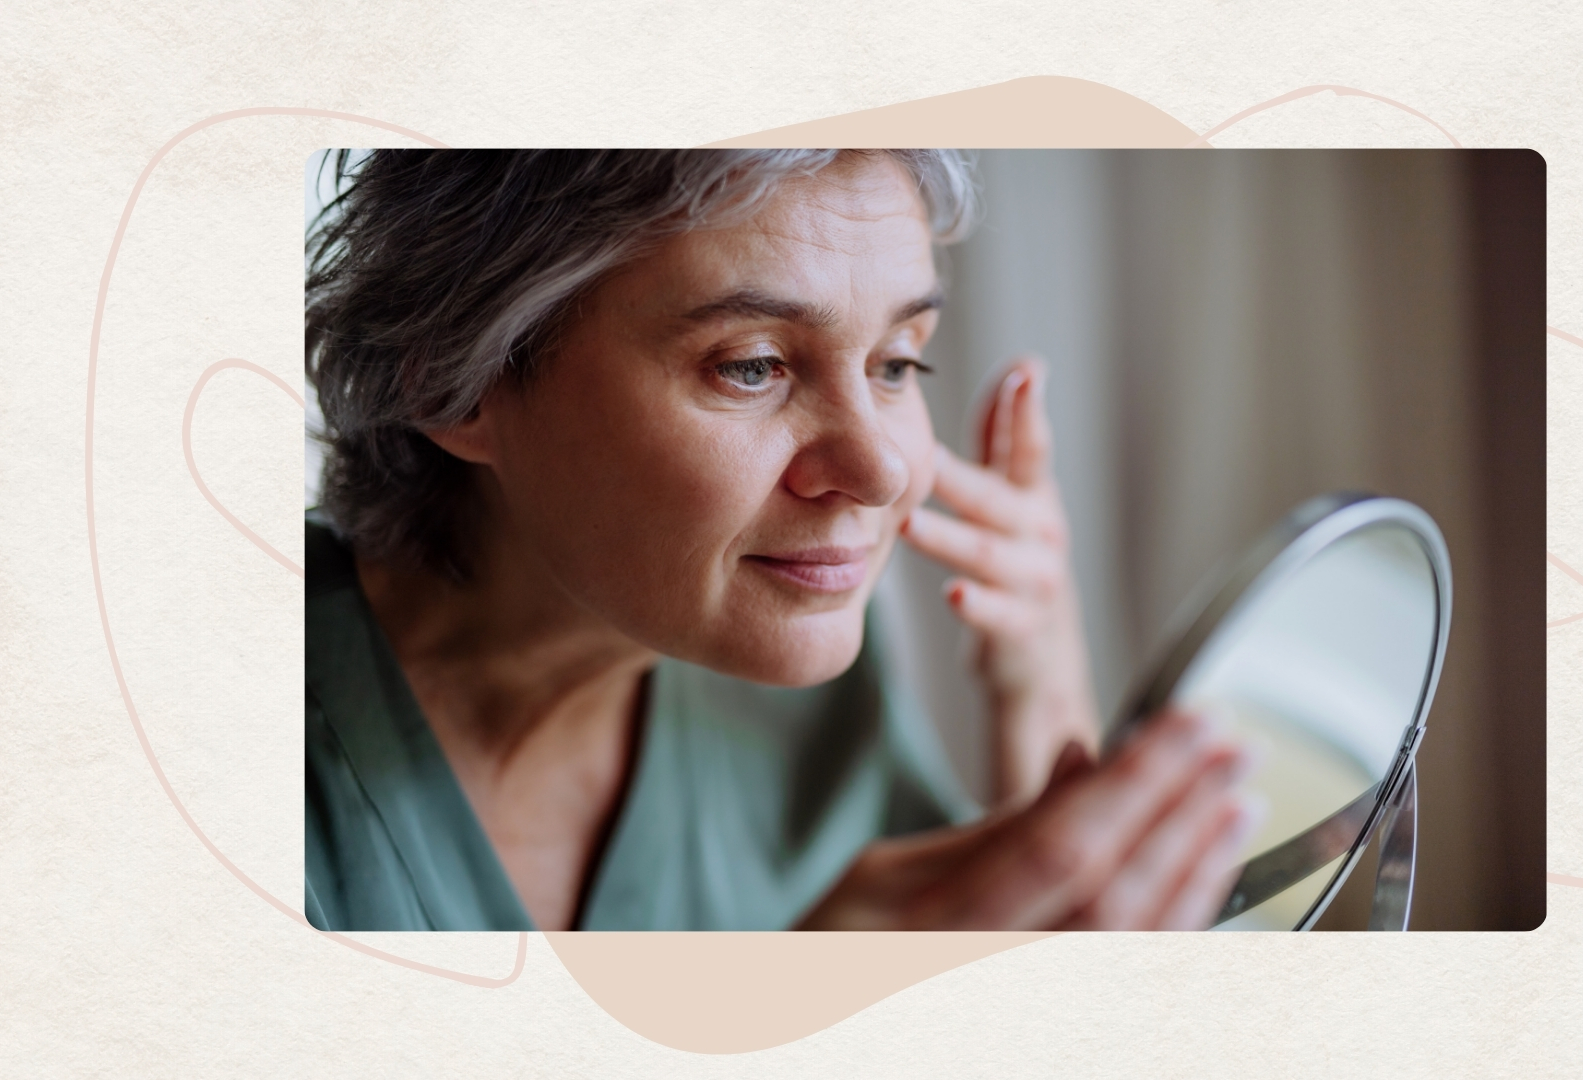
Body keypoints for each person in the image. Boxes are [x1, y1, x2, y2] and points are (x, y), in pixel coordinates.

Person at [303, 148, 1257, 931]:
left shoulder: (799, 679)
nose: (882, 472)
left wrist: (1041, 689)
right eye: (752, 367)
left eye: (897, 363)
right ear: (453, 383)